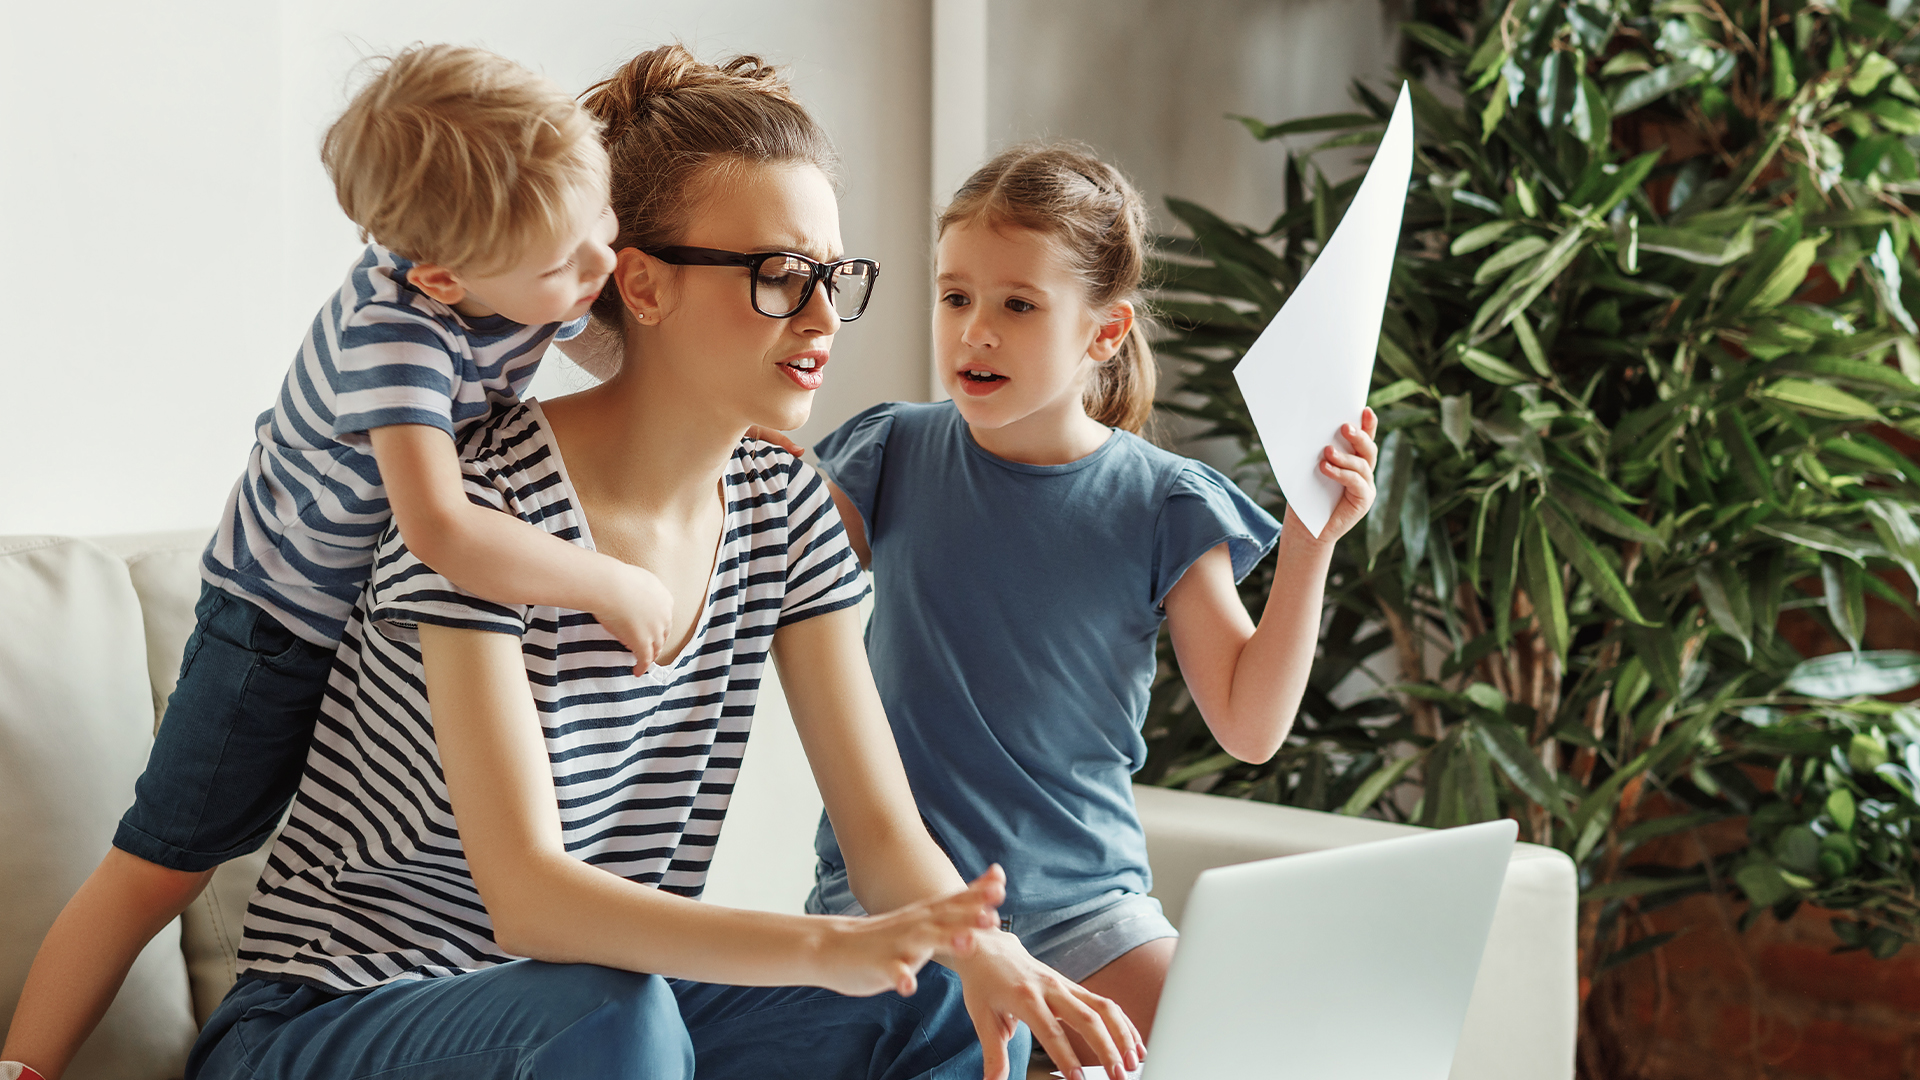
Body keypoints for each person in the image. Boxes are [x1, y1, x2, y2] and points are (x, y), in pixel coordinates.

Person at [132, 46, 1138, 1080]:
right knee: (612, 1017)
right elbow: (528, 899)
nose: (824, 318)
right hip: (334, 1016)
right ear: (642, 283)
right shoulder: (486, 500)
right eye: (780, 275)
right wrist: (826, 948)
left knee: (936, 1004)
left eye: (833, 277)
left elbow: (883, 838)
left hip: (602, 1012)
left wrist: (989, 951)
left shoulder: (783, 504)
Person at [0, 43, 741, 1080]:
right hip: (271, 628)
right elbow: (441, 529)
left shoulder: (523, 256)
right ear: (442, 277)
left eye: (604, 230)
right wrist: (605, 580)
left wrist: (728, 402)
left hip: (365, 623)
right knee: (161, 862)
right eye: (566, 265)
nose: (599, 276)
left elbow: (633, 356)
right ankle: (25, 1064)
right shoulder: (396, 337)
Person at [802, 142, 1379, 1052]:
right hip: (900, 908)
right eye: (956, 296)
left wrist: (1312, 544)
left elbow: (1249, 725)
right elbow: (751, 583)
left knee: (1234, 1050)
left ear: (1103, 332)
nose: (973, 332)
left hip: (1088, 911)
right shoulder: (889, 456)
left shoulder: (1166, 503)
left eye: (1018, 305)